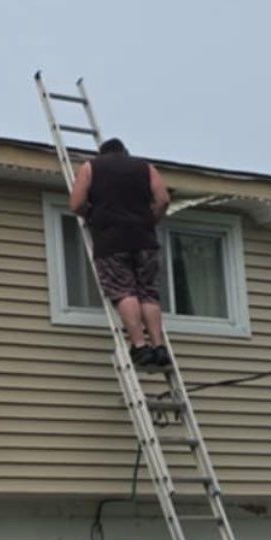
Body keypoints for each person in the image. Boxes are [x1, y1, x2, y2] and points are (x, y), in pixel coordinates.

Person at [69, 137, 171, 368]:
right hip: (145, 241)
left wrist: (93, 214)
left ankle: (139, 346)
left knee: (124, 291)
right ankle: (158, 346)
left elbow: (76, 205)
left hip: (111, 241)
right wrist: (150, 221)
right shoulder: (146, 167)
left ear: (101, 153)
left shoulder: (90, 167)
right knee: (148, 293)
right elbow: (163, 200)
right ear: (125, 152)